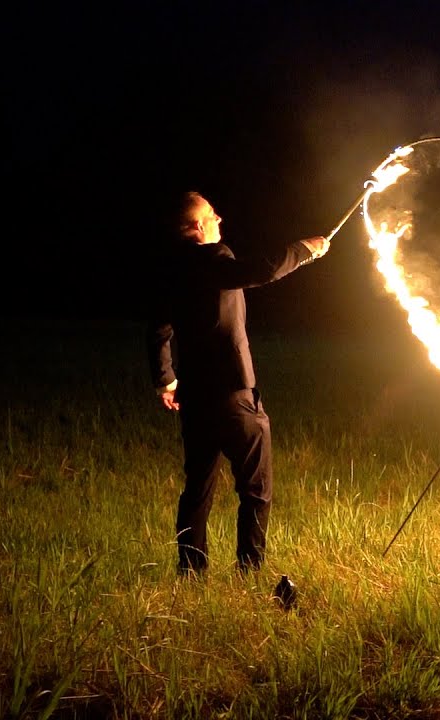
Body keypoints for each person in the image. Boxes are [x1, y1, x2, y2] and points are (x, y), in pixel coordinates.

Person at [147, 191, 329, 576]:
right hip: (233, 397)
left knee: (197, 489)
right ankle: (250, 568)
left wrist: (166, 380)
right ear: (198, 227)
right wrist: (304, 250)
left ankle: (191, 571)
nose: (219, 218)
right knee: (256, 490)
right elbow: (261, 270)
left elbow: (158, 329)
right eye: (212, 215)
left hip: (194, 398)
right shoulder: (214, 260)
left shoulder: (173, 270)